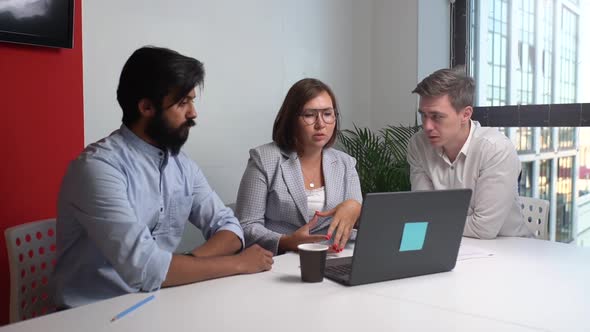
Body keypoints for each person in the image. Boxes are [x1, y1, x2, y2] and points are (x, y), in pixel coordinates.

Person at [53, 46, 273, 309]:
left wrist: (184, 263)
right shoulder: (98, 169)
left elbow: (230, 227)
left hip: (158, 301)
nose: (193, 113)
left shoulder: (182, 165)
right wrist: (238, 263)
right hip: (93, 313)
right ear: (146, 107)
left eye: (192, 101)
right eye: (182, 103)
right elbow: (145, 269)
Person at [235, 78, 363, 255]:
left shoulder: (346, 163)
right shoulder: (264, 159)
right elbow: (246, 226)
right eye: (309, 115)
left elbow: (355, 224)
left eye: (327, 114)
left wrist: (356, 208)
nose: (320, 124)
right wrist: (286, 241)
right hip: (277, 260)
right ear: (291, 118)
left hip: (333, 257)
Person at [407, 67, 531, 239]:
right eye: (424, 116)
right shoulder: (419, 144)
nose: (427, 126)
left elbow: (483, 228)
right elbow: (422, 211)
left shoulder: (495, 149)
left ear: (465, 114)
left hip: (509, 250)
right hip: (449, 244)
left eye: (436, 117)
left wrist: (432, 223)